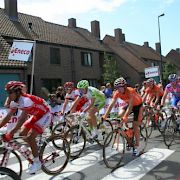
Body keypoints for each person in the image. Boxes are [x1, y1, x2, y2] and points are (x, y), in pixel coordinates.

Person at [0, 81, 51, 174]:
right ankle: (35, 147)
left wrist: (11, 133)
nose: (9, 95)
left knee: (30, 137)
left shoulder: (26, 100)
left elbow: (22, 119)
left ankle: (37, 162)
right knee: (22, 133)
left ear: (17, 92)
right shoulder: (15, 101)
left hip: (46, 114)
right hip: (37, 115)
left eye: (10, 93)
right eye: (8, 93)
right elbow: (8, 117)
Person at [103, 77, 143, 156]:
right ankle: (127, 131)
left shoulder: (131, 91)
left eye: (121, 87)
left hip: (138, 106)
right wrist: (105, 116)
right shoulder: (117, 93)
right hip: (128, 105)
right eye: (117, 88)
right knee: (119, 117)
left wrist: (125, 117)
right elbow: (111, 105)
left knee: (135, 127)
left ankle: (137, 146)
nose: (119, 89)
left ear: (124, 86)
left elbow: (131, 106)